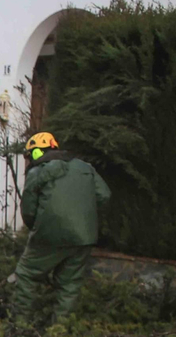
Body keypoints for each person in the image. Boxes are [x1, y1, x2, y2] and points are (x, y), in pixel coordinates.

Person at [10, 132, 110, 323]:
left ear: (36, 153)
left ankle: (19, 328)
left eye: (32, 155)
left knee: (27, 274)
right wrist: (82, 215)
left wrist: (38, 229)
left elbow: (29, 211)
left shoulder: (37, 172)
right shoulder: (85, 167)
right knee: (69, 284)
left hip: (49, 235)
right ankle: (58, 334)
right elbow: (104, 195)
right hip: (84, 237)